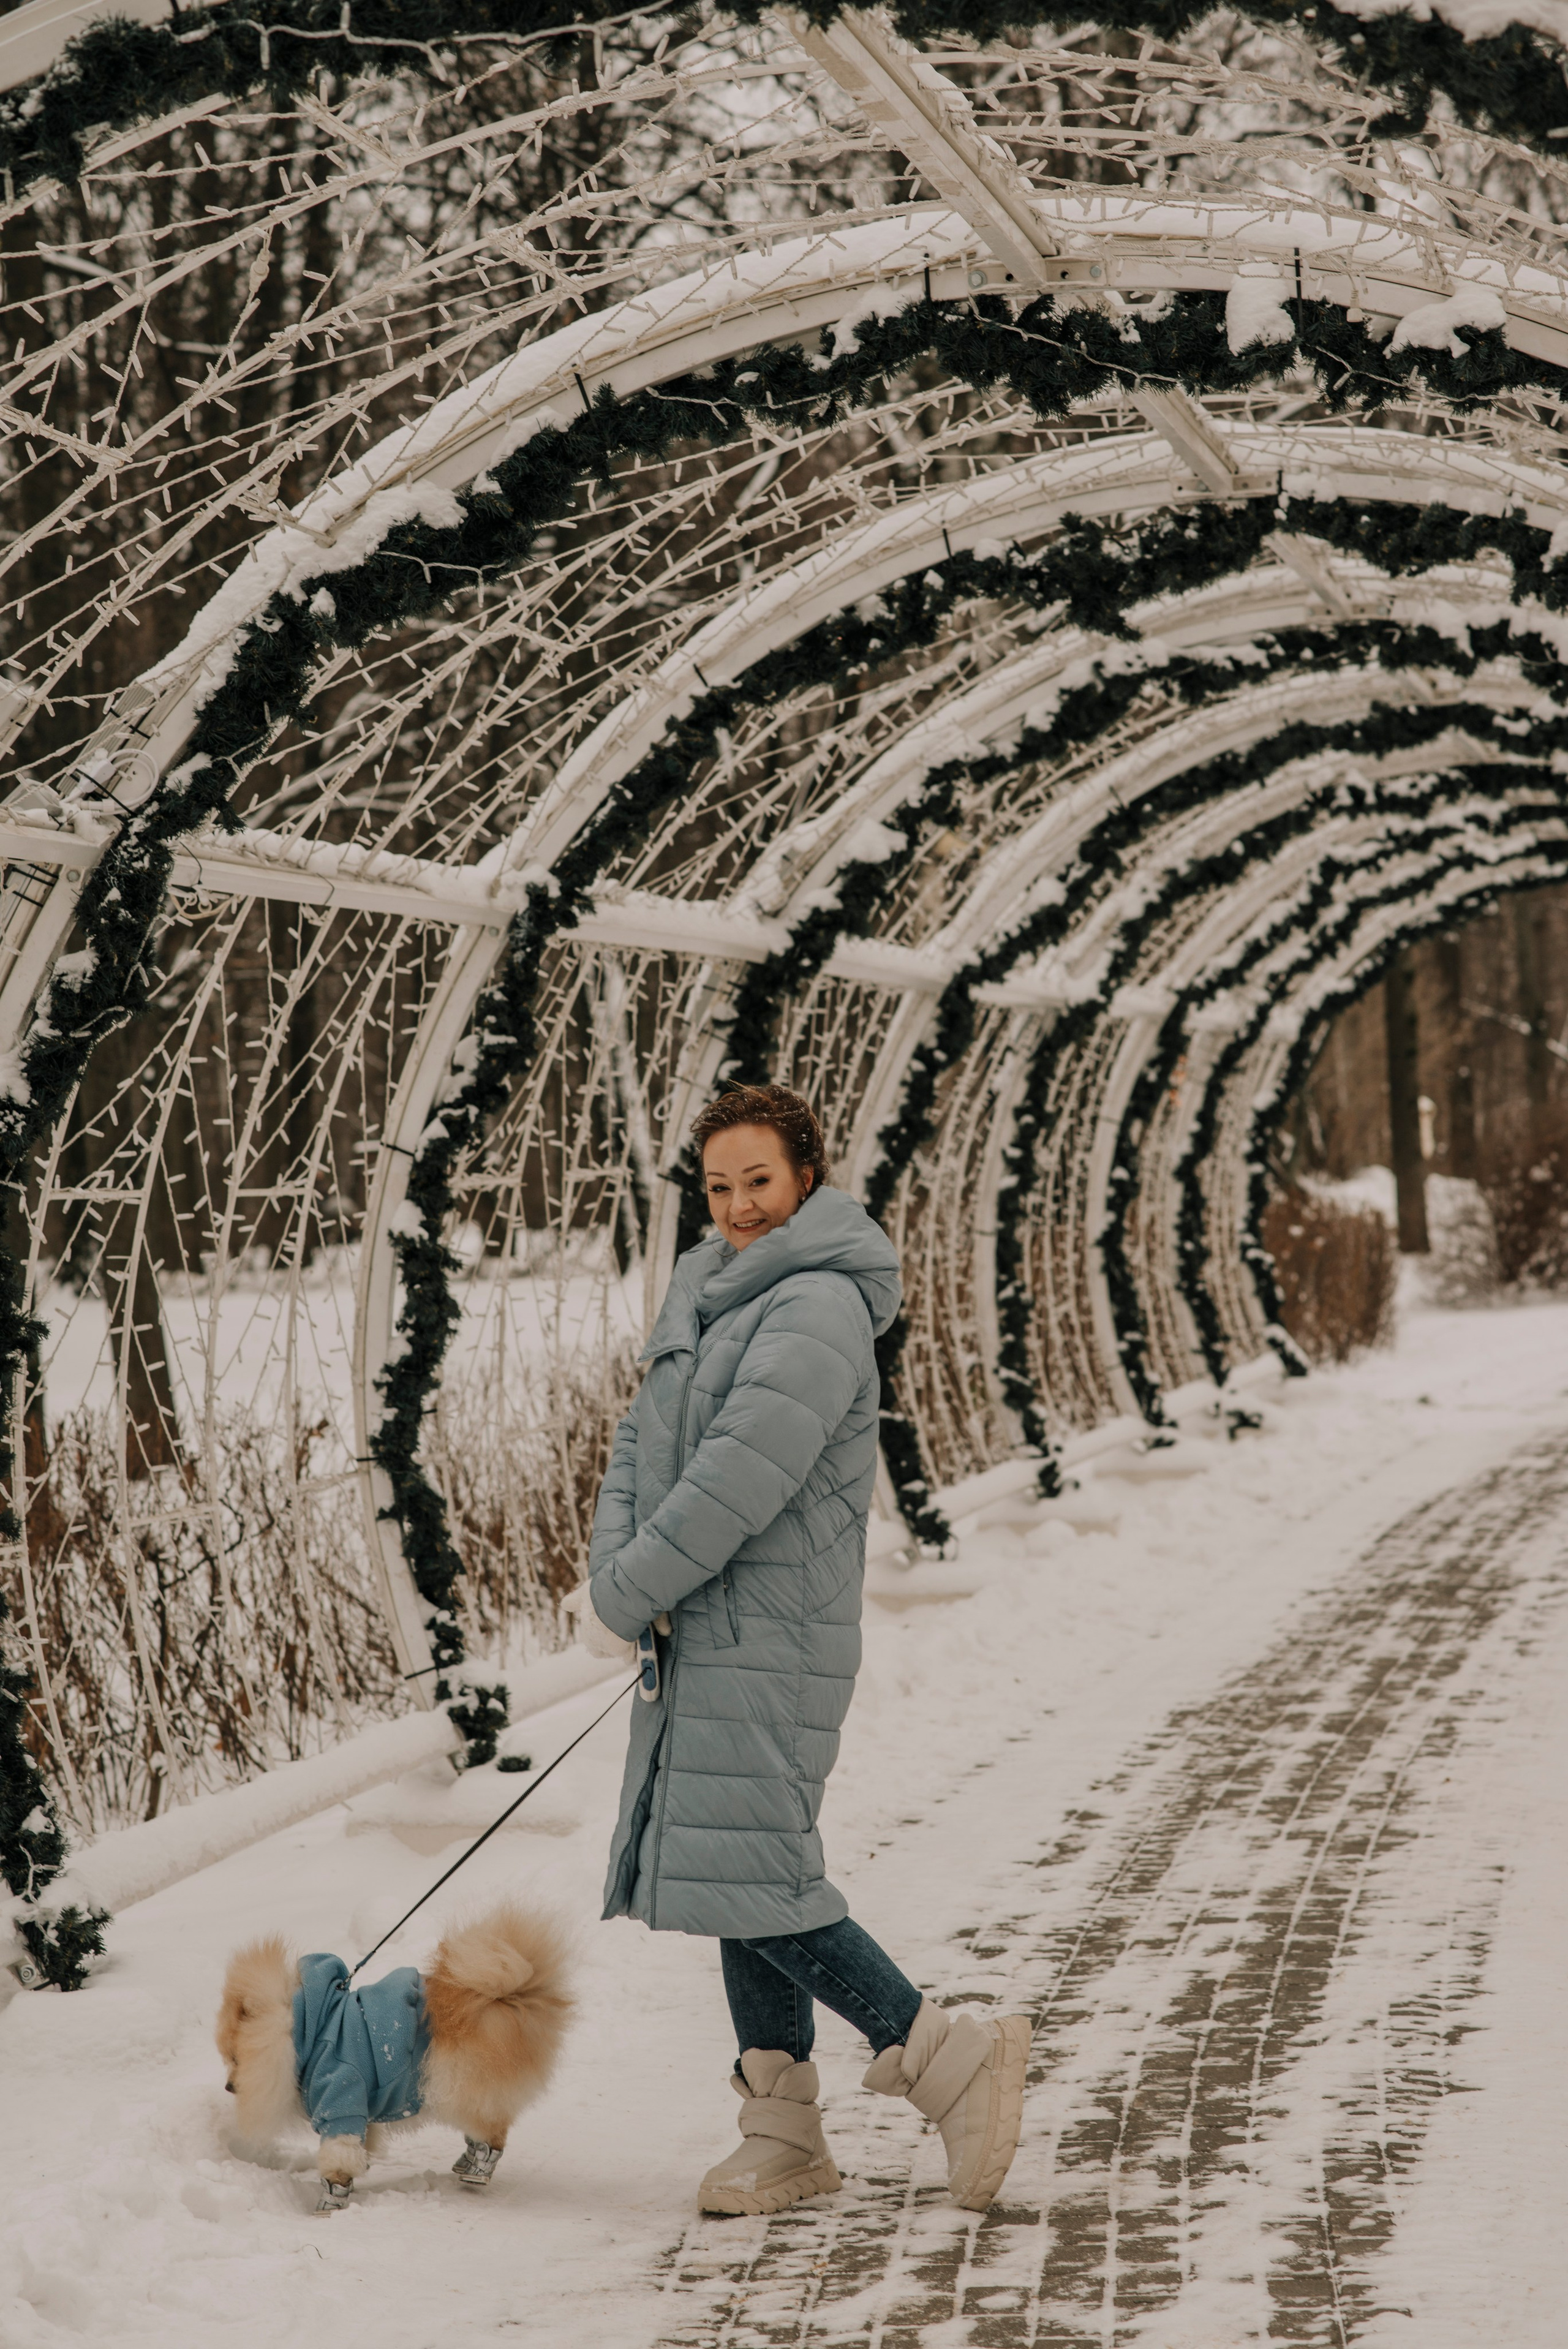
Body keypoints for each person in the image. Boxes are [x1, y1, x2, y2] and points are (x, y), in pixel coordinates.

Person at [565, 1082, 1030, 2217]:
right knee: (732, 1870)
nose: (738, 1206)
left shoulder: (816, 1306)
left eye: (758, 1181)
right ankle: (783, 2132)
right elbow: (641, 1444)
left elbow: (734, 1479)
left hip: (773, 1634)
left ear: (807, 1177)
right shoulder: (707, 1291)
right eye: (719, 1186)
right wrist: (616, 1574)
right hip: (705, 1629)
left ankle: (948, 2057)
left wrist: (631, 1590)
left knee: (761, 1872)